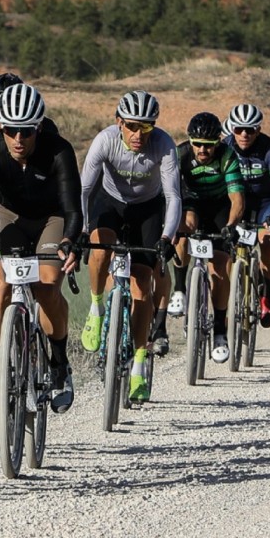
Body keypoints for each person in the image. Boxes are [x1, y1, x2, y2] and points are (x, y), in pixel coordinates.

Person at [0, 82, 81, 414]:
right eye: (11, 130)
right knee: (0, 287)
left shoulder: (58, 150)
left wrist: (69, 241)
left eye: (26, 131)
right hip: (8, 216)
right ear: (0, 127)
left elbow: (71, 210)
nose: (18, 139)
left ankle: (59, 365)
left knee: (47, 283)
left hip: (49, 218)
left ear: (38, 126)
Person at [80, 89, 181, 403]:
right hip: (109, 203)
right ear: (119, 122)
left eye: (146, 127)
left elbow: (173, 197)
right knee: (99, 249)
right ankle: (96, 307)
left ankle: (139, 362)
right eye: (132, 126)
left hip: (147, 210)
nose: (139, 134)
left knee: (141, 288)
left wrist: (166, 238)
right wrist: (82, 228)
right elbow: (84, 189)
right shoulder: (105, 140)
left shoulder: (164, 145)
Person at [171, 112, 245, 363]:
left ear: (218, 142)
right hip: (192, 202)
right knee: (184, 226)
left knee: (219, 270)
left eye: (209, 145)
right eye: (198, 144)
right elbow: (169, 192)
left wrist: (231, 225)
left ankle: (220, 332)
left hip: (220, 206)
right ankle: (179, 288)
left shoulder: (227, 155)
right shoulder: (180, 155)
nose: (203, 149)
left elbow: (236, 198)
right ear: (190, 141)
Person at [224, 102, 270, 327]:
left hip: (265, 202)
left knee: (266, 240)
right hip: (237, 200)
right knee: (228, 244)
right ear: (232, 129)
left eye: (250, 130)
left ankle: (267, 292)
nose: (244, 134)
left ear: (258, 130)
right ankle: (231, 297)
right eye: (239, 129)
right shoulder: (226, 146)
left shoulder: (269, 148)